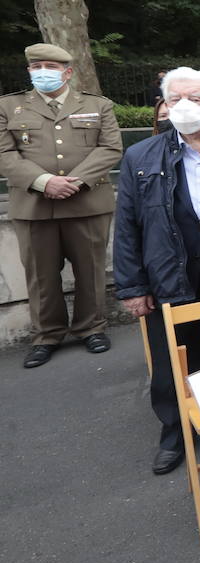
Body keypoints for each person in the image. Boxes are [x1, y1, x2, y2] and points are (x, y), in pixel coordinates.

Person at [114, 68, 200, 475]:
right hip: (168, 272)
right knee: (170, 359)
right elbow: (127, 225)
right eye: (174, 99)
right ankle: (174, 430)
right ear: (164, 107)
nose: (183, 107)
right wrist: (132, 286)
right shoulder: (140, 156)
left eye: (195, 99)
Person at [1, 43, 122, 369]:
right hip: (34, 206)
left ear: (68, 72)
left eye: (50, 67)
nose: (43, 73)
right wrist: (43, 182)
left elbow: (110, 148)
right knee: (41, 276)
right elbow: (4, 154)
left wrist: (75, 180)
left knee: (91, 271)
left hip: (87, 202)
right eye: (36, 67)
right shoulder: (9, 107)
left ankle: (91, 328)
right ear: (29, 70)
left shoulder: (98, 105)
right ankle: (47, 335)